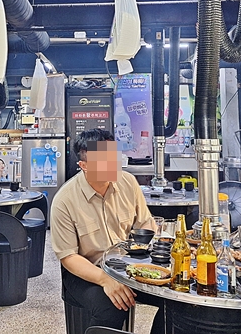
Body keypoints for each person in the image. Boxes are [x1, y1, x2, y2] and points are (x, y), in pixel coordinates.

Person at [51, 129, 163, 332]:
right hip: (86, 272)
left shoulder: (128, 182)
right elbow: (68, 256)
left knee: (172, 300)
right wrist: (105, 279)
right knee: (112, 307)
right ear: (83, 166)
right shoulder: (64, 201)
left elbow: (145, 224)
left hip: (127, 265)